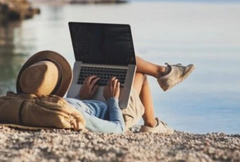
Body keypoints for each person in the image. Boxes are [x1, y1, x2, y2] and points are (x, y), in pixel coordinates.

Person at [16, 51, 195, 134]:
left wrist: (80, 97)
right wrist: (112, 100)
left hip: (90, 101)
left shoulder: (43, 105)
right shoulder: (69, 113)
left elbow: (71, 106)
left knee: (116, 58)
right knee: (138, 72)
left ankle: (163, 73)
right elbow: (117, 128)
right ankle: (151, 124)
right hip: (116, 113)